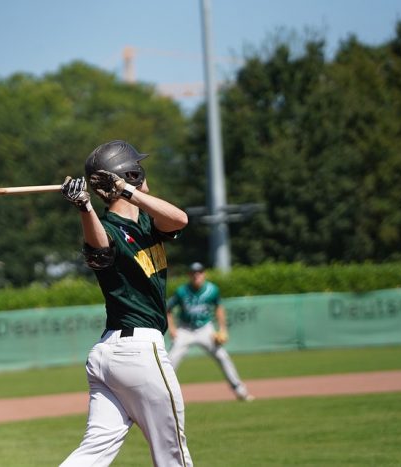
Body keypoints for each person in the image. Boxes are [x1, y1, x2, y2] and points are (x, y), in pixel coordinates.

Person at [59, 140, 193, 467]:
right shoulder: (107, 229)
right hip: (138, 354)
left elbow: (180, 219)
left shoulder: (149, 224)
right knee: (172, 454)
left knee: (94, 452)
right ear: (133, 173)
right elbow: (100, 249)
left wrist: (127, 192)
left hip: (110, 356)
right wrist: (84, 207)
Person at [166, 262, 254, 402]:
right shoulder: (181, 291)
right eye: (193, 273)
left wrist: (222, 329)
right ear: (189, 275)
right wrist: (172, 328)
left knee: (222, 356)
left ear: (204, 274)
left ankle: (239, 390)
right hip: (185, 329)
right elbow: (168, 309)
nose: (196, 275)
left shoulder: (212, 290)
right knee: (171, 359)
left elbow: (219, 308)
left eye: (199, 272)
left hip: (205, 329)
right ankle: (164, 393)